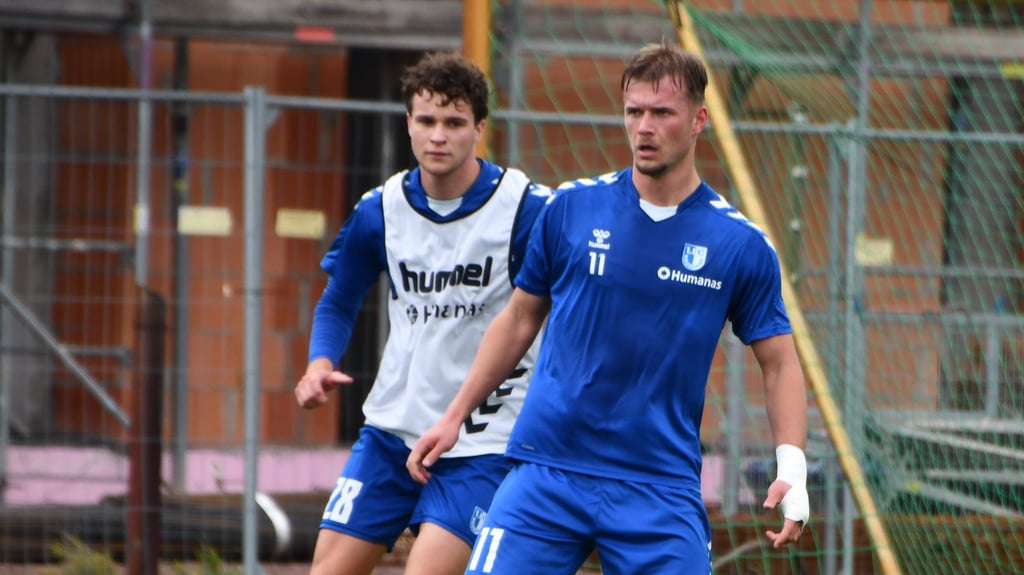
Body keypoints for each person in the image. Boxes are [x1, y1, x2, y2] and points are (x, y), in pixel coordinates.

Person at [407, 41, 810, 575]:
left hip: (659, 488)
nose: (644, 127)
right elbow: (519, 319)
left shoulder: (739, 243)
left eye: (662, 113)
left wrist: (793, 466)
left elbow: (779, 362)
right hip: (546, 472)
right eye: (634, 111)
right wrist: (454, 416)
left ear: (698, 120)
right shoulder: (570, 208)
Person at [294, 51, 551, 575]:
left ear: (479, 128)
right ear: (408, 123)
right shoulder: (380, 209)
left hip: (481, 444)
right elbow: (340, 297)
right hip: (391, 433)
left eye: (455, 122)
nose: (439, 135)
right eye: (427, 121)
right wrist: (319, 362)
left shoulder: (524, 209)